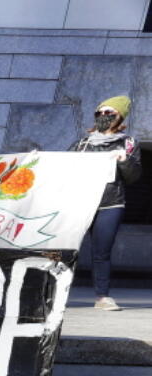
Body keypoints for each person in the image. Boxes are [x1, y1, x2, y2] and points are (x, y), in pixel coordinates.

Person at [70, 95, 141, 311]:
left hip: (110, 203)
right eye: (99, 112)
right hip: (80, 203)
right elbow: (64, 168)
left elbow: (133, 177)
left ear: (120, 116)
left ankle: (102, 297)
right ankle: (52, 292)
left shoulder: (127, 143)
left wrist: (124, 161)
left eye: (109, 113)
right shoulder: (82, 143)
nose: (103, 116)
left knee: (101, 252)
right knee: (66, 249)